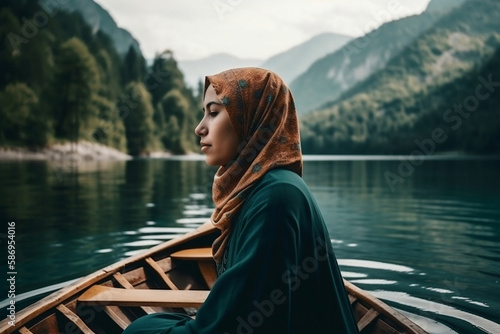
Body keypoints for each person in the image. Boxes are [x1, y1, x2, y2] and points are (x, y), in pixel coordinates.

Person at [123, 67, 359, 333]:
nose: (199, 128)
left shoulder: (275, 197)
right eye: (204, 114)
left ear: (251, 119)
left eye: (213, 113)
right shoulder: (265, 189)